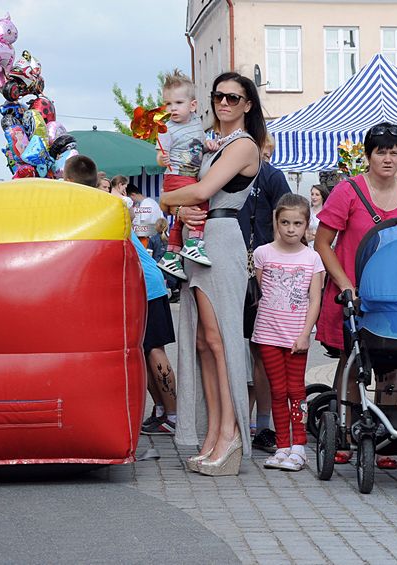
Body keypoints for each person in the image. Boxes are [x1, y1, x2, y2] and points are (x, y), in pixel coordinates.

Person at [161, 71, 266, 477]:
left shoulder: (242, 146)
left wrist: (167, 200)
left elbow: (202, 192)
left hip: (221, 238)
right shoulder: (209, 142)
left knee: (218, 340)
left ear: (247, 105)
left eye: (233, 98)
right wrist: (180, 208)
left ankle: (231, 432)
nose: (224, 103)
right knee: (204, 341)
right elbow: (192, 191)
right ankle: (212, 432)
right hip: (198, 237)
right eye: (219, 96)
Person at [314, 122, 397, 468]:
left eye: (394, 152)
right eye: (380, 151)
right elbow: (323, 244)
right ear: (368, 155)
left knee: (391, 364)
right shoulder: (347, 191)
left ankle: (384, 439)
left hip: (394, 295)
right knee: (352, 362)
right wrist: (345, 282)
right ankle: (346, 433)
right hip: (353, 292)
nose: (388, 158)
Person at [65, 155, 179, 436]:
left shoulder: (101, 207)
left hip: (147, 285)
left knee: (154, 349)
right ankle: (163, 411)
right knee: (143, 349)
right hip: (140, 284)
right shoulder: (97, 206)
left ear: (69, 182)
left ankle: (177, 415)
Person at [252, 194, 325, 471]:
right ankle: (283, 445)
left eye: (297, 223)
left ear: (307, 224)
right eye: (285, 222)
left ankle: (299, 446)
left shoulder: (312, 258)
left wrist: (306, 333)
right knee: (277, 390)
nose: (291, 229)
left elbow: (315, 299)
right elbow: (264, 289)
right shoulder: (263, 253)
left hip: (296, 336)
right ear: (276, 222)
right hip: (268, 334)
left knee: (296, 391)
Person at [237, 140, 293, 454]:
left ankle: (261, 424)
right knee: (231, 347)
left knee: (262, 350)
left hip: (261, 271)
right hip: (232, 265)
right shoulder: (227, 173)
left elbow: (286, 216)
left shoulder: (272, 177)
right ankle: (238, 422)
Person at [156, 70, 215, 280]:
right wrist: (162, 160)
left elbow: (198, 147)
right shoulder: (166, 129)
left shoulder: (197, 123)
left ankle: (171, 255)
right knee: (201, 201)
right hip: (177, 174)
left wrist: (209, 146)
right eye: (168, 104)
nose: (172, 108)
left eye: (178, 103)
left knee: (182, 218)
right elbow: (159, 154)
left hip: (189, 173)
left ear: (192, 105)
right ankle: (193, 243)